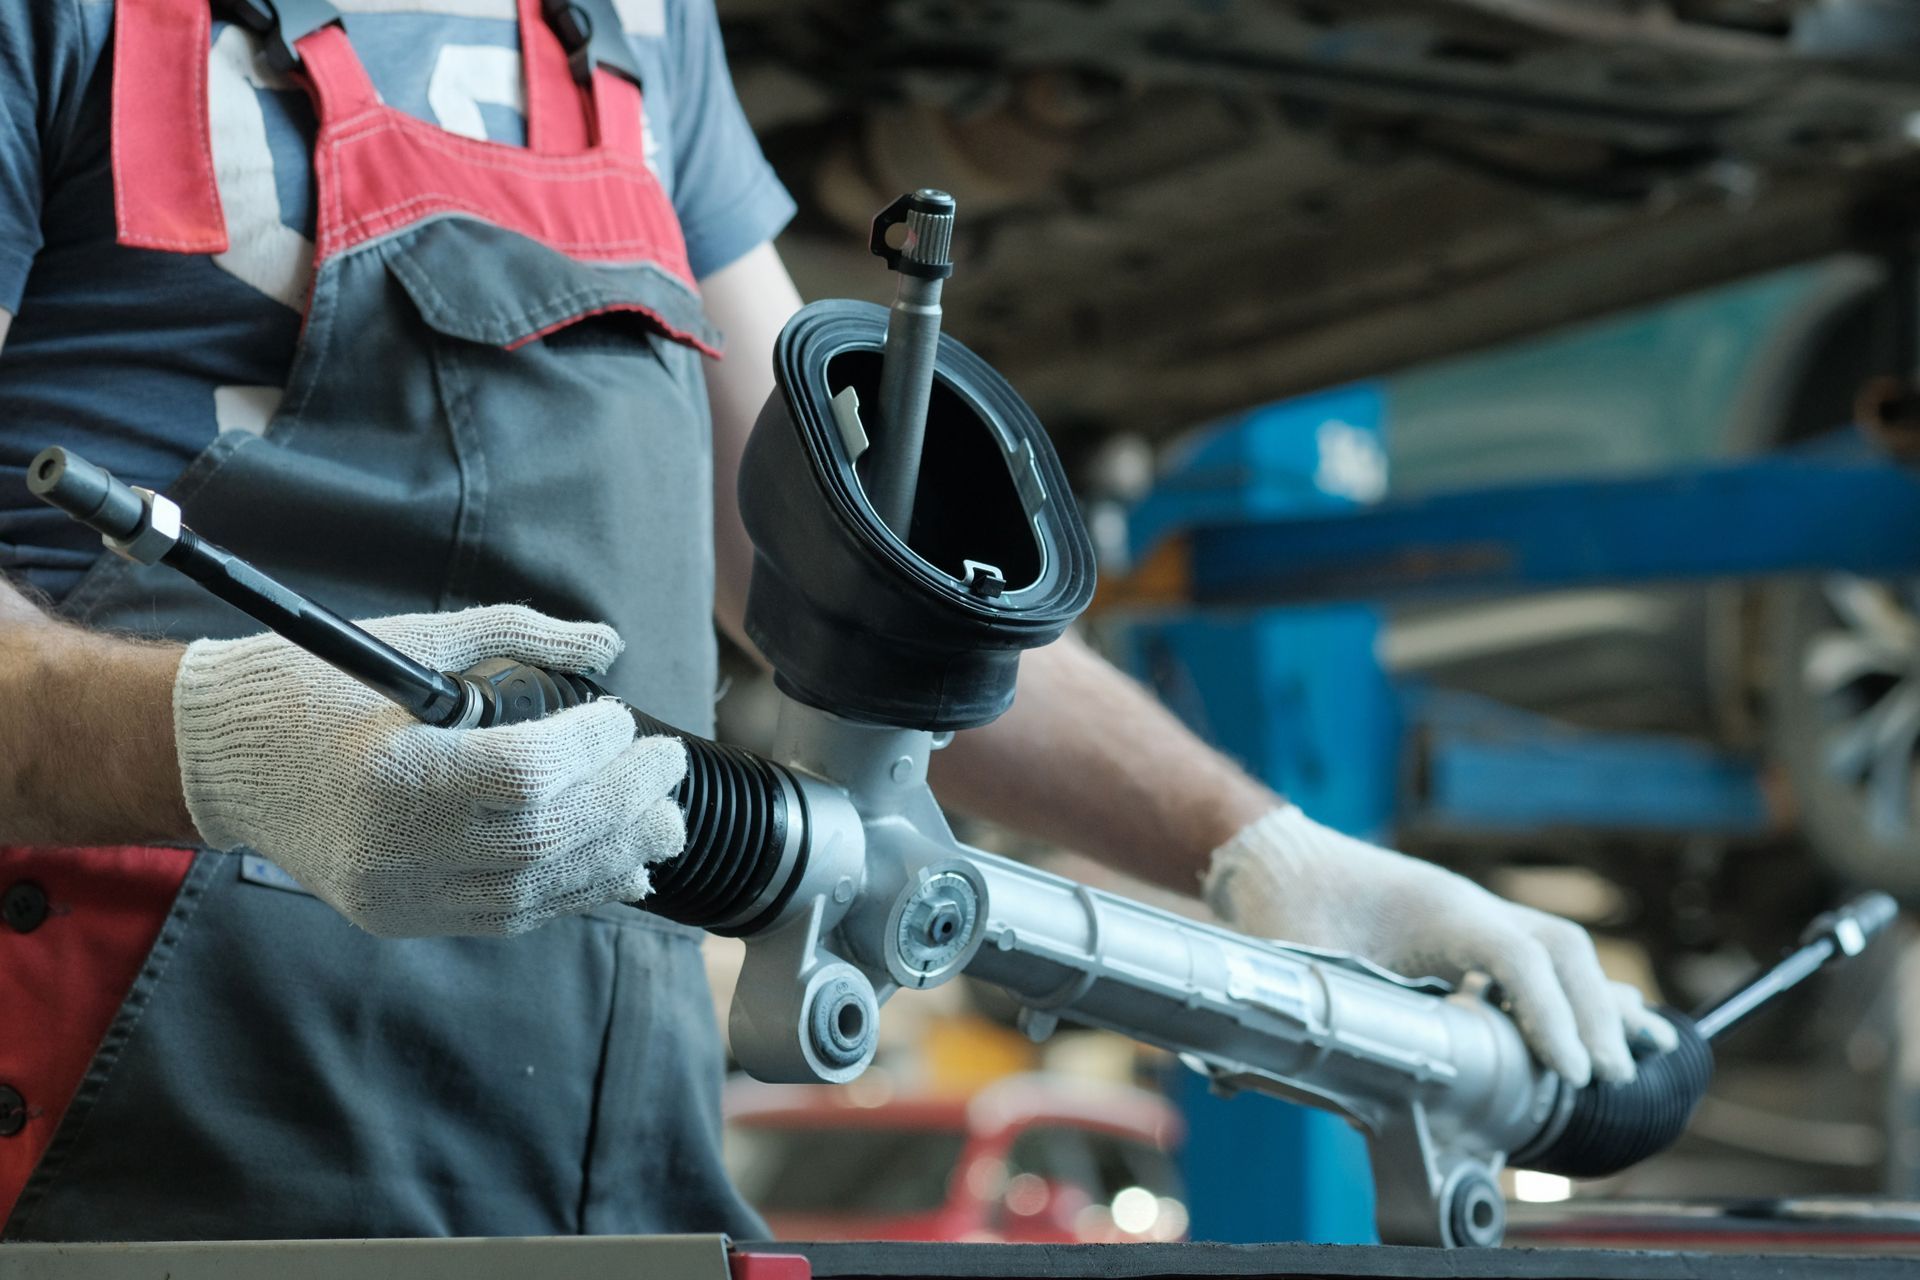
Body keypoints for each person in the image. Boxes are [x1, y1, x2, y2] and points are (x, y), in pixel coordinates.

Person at [0, 0, 1672, 1242]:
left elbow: (824, 562)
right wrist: (224, 744)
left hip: (596, 1194)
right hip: (132, 1168)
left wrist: (1258, 849)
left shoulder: (636, 32)